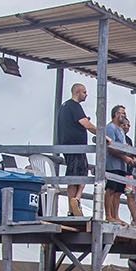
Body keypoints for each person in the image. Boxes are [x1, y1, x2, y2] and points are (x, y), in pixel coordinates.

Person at [57, 83, 99, 216]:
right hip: (75, 146)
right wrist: (102, 134)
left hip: (68, 145)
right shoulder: (74, 106)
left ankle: (73, 205)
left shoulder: (64, 106)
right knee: (80, 174)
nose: (86, 95)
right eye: (84, 92)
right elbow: (86, 124)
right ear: (77, 92)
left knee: (74, 174)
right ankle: (75, 200)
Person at [103, 105, 136, 225]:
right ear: (116, 114)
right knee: (110, 189)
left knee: (118, 191)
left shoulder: (121, 131)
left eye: (124, 113)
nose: (123, 115)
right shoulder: (110, 128)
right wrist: (125, 157)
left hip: (122, 166)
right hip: (112, 164)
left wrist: (131, 157)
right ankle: (108, 215)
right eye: (121, 113)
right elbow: (110, 147)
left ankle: (115, 216)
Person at [116, 114, 136, 226]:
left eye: (129, 126)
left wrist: (135, 158)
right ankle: (114, 216)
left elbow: (134, 154)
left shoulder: (128, 140)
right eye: (125, 125)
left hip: (128, 172)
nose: (127, 127)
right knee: (115, 193)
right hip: (118, 170)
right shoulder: (117, 137)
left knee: (131, 195)